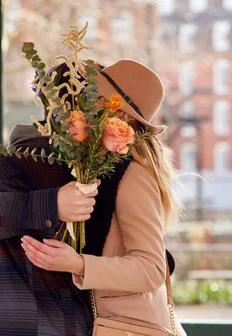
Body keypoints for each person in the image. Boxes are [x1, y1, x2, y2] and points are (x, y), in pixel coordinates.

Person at [0, 60, 182, 336]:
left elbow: (145, 262)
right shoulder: (29, 161)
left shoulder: (108, 168)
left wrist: (87, 261)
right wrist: (53, 204)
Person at [20, 59, 186, 335]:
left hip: (131, 326)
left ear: (120, 115)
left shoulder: (133, 175)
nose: (83, 105)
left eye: (95, 97)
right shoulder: (98, 168)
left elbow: (152, 268)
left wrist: (77, 263)